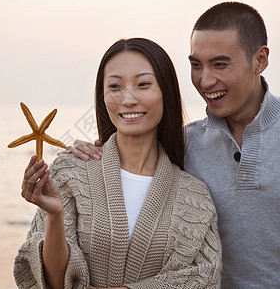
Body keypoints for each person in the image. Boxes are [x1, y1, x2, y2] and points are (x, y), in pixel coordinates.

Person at [65, 2, 280, 288]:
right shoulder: (183, 143)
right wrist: (87, 153)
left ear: (260, 60)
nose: (205, 80)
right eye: (196, 65)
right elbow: (127, 161)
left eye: (220, 64)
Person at [14, 38, 222, 289]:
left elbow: (203, 278)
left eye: (143, 84)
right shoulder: (70, 172)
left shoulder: (196, 196)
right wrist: (55, 216)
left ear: (166, 92)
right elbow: (52, 283)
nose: (128, 99)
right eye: (115, 86)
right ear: (102, 96)